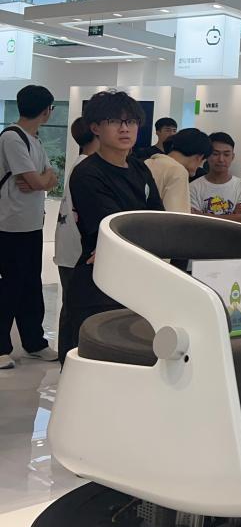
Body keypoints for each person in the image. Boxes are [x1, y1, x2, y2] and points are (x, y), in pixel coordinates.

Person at [62, 91, 164, 362]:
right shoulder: (87, 173)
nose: (124, 128)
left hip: (137, 278)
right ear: (95, 127)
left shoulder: (139, 168)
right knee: (93, 363)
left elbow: (159, 220)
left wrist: (137, 237)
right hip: (99, 283)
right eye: (114, 121)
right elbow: (113, 227)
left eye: (131, 121)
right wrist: (137, 237)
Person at [0, 85, 59, 369]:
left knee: (30, 285)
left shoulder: (34, 139)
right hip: (9, 225)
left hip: (32, 225)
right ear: (47, 110)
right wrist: (41, 180)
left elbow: (50, 177)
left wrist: (41, 180)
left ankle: (34, 342)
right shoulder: (12, 137)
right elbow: (37, 181)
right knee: (9, 286)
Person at [54, 117, 100, 363]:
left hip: (70, 250)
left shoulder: (80, 164)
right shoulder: (87, 169)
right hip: (77, 252)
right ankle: (70, 362)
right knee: (75, 310)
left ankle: (68, 361)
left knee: (71, 308)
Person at [189, 132, 241, 223]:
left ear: (232, 157)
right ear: (207, 155)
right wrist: (233, 216)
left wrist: (203, 216)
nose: (221, 159)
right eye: (215, 154)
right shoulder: (193, 187)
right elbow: (194, 221)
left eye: (226, 155)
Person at [146, 128, 212, 213]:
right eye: (203, 161)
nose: (199, 166)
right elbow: (176, 216)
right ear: (199, 157)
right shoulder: (178, 172)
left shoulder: (147, 162)